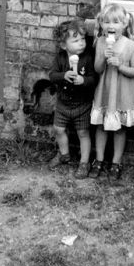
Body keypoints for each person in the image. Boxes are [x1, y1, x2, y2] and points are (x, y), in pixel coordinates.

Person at [89, 3, 134, 180]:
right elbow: (97, 69)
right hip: (105, 91)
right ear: (101, 24)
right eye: (106, 22)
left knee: (119, 129)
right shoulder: (101, 43)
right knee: (101, 126)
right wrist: (103, 56)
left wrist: (120, 66)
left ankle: (116, 162)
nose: (111, 26)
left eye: (116, 22)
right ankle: (99, 160)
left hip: (121, 93)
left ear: (124, 25)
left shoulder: (130, 46)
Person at [47, 18, 99, 178]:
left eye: (83, 38)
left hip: (82, 104)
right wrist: (64, 75)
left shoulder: (88, 58)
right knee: (59, 129)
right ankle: (64, 154)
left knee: (83, 132)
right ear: (64, 45)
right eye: (75, 40)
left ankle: (84, 162)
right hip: (63, 104)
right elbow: (52, 76)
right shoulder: (60, 58)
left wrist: (83, 80)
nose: (81, 43)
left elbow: (94, 79)